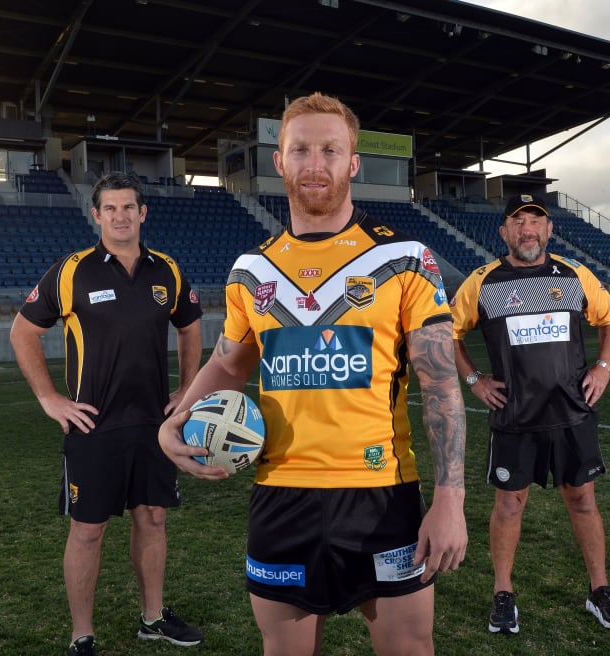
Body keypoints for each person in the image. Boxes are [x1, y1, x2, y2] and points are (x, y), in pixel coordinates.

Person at [157, 92, 468, 656]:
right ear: (279, 162)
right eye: (301, 149)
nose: (315, 164)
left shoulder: (405, 258)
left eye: (330, 149)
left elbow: (441, 382)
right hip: (282, 497)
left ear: (353, 162)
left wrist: (450, 499)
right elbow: (229, 362)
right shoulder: (250, 271)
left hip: (382, 496)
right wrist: (173, 422)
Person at [10, 172, 205, 656]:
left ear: (143, 213)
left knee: (154, 518)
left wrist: (186, 388)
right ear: (96, 215)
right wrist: (49, 398)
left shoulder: (168, 271)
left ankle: (154, 618)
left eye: (129, 208)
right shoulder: (71, 271)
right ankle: (82, 635)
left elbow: (190, 326)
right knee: (89, 529)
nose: (120, 216)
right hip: (93, 426)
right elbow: (22, 332)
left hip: (154, 425)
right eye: (110, 209)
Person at [451, 193, 610, 634]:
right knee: (509, 505)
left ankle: (600, 590)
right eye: (519, 222)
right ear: (504, 232)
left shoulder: (575, 275)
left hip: (572, 413)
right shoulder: (482, 282)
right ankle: (503, 594)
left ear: (549, 229)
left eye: (536, 221)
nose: (527, 229)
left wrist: (603, 368)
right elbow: (449, 332)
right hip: (516, 417)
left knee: (583, 500)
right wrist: (475, 380)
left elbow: (609, 319)